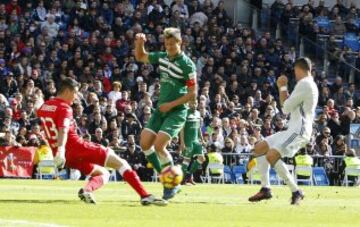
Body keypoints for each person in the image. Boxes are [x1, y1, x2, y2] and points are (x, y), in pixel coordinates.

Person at [37, 78, 166, 206]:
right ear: (66, 91)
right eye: (75, 92)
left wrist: (59, 152)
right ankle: (145, 195)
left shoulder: (44, 106)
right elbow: (63, 130)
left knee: (103, 173)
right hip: (75, 148)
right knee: (121, 163)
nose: (76, 97)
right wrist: (61, 149)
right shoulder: (65, 108)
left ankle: (87, 191)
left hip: (66, 157)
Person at [134, 27, 197, 200]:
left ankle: (171, 184)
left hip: (176, 111)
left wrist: (171, 105)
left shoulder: (187, 64)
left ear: (180, 43)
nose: (169, 47)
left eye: (172, 44)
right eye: (166, 44)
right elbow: (140, 56)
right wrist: (139, 43)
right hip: (162, 109)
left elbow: (192, 93)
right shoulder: (162, 57)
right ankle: (167, 177)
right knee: (145, 143)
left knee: (160, 145)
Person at [248, 57, 319, 205]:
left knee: (272, 155)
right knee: (260, 148)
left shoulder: (304, 84)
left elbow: (285, 108)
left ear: (298, 69)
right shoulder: (308, 84)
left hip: (299, 130)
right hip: (292, 129)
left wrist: (282, 87)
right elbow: (287, 106)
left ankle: (295, 191)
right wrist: (284, 90)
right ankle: (265, 189)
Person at [179, 99, 205, 185]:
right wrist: (182, 142)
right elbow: (181, 129)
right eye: (192, 103)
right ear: (189, 104)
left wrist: (202, 138)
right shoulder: (185, 113)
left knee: (202, 159)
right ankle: (182, 180)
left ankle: (188, 176)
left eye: (196, 103)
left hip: (196, 140)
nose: (194, 105)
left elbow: (198, 128)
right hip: (188, 140)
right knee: (187, 160)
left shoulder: (198, 113)